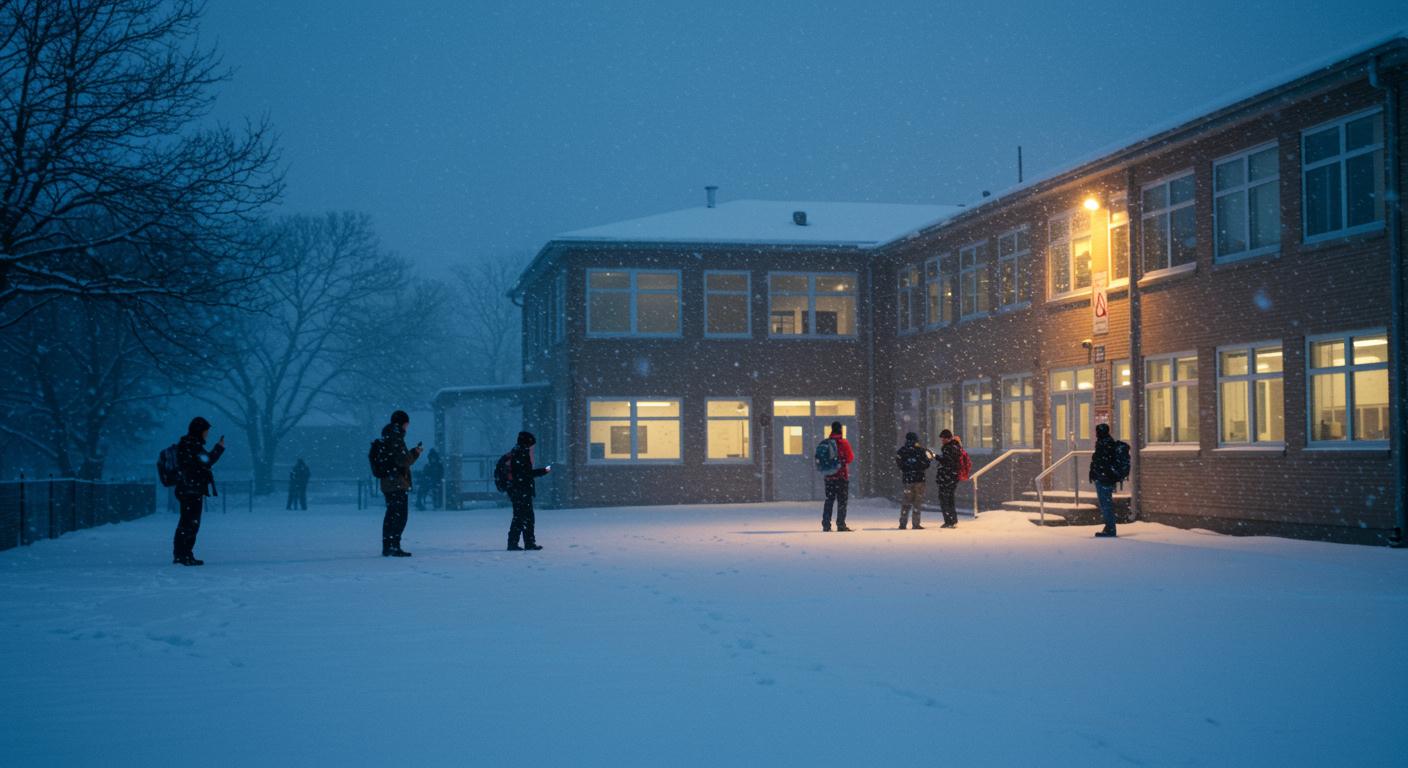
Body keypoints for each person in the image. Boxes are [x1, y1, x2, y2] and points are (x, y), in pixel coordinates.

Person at [172, 417, 225, 566]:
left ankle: (181, 554)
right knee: (190, 523)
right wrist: (219, 448)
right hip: (191, 489)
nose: (207, 434)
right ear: (199, 431)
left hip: (187, 488)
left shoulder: (187, 444)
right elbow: (207, 461)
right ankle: (184, 555)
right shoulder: (192, 445)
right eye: (206, 431)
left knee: (187, 522)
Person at [378, 410, 423, 557]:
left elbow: (396, 458)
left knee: (391, 514)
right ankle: (394, 546)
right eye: (407, 424)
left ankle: (388, 546)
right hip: (396, 482)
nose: (407, 427)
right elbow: (403, 460)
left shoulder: (387, 436)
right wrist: (415, 453)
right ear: (403, 423)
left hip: (388, 481)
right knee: (399, 516)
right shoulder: (395, 437)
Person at [505, 431, 551, 551]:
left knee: (524, 517)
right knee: (522, 518)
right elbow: (525, 474)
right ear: (527, 443)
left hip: (519, 491)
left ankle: (525, 543)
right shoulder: (520, 453)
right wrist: (543, 471)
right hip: (521, 491)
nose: (531, 447)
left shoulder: (517, 452)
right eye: (531, 444)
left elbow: (523, 474)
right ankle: (517, 543)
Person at [821, 421, 855, 532]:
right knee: (842, 501)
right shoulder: (844, 443)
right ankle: (840, 524)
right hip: (841, 477)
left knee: (829, 500)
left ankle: (826, 524)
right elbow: (850, 458)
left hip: (829, 477)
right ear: (841, 430)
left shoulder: (826, 443)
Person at [1089, 423, 1122, 538]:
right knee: (1105, 503)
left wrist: (1098, 473)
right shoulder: (1105, 442)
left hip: (1104, 479)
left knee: (1106, 504)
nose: (1096, 433)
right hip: (1104, 478)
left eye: (1097, 431)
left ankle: (1110, 528)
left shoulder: (1105, 444)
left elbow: (1101, 462)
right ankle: (1109, 527)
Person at [895, 432, 932, 529]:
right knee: (917, 502)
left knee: (906, 502)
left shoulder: (902, 451)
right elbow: (927, 463)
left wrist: (907, 468)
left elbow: (899, 464)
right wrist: (919, 467)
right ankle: (916, 523)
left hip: (907, 479)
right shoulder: (921, 450)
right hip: (919, 479)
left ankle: (903, 523)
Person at [934, 429, 962, 528]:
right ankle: (953, 520)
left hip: (947, 478)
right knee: (950, 499)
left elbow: (947, 462)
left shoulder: (948, 448)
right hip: (952, 477)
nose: (942, 441)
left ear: (947, 438)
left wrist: (936, 457)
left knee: (944, 499)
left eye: (943, 439)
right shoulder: (956, 447)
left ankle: (949, 521)